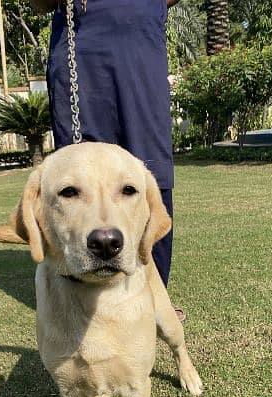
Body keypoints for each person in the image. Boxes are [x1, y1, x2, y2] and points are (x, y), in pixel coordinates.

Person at [32, 0, 184, 318]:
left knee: (150, 175)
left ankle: (154, 303)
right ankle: (90, 312)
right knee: (77, 181)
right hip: (80, 41)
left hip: (140, 39)